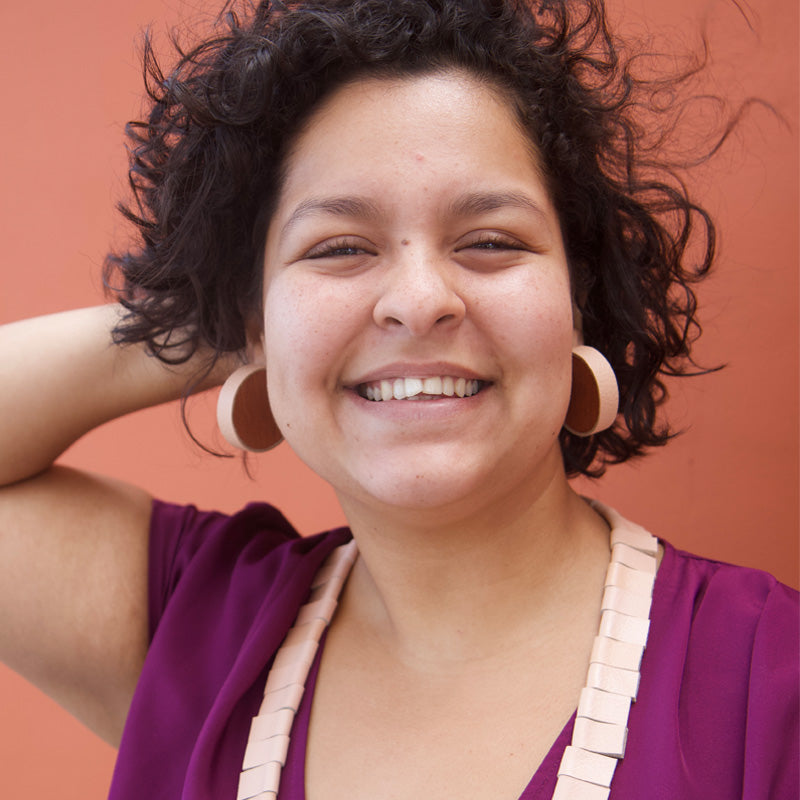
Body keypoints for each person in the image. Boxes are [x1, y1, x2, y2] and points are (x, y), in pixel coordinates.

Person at [0, 0, 797, 798]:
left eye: (490, 241)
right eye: (340, 247)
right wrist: (241, 324)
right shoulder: (198, 631)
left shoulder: (773, 686)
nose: (419, 302)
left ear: (576, 302)